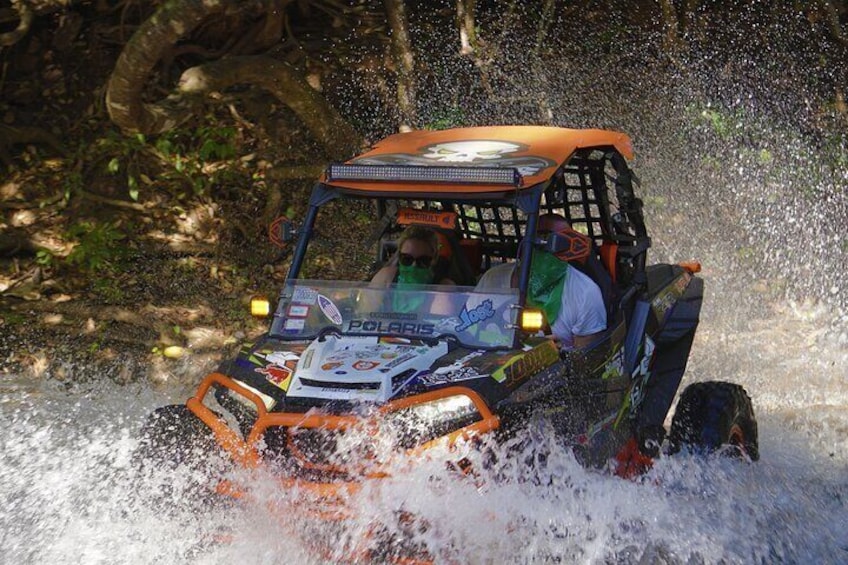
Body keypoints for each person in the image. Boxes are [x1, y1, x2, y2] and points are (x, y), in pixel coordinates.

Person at [476, 213, 606, 349]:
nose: (549, 249)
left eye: (559, 244)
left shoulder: (585, 293)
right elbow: (468, 328)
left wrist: (560, 352)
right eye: (542, 239)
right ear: (528, 243)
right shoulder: (492, 279)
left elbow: (586, 358)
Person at [370, 226, 456, 287]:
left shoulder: (443, 288)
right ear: (399, 257)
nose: (413, 265)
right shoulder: (387, 277)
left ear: (434, 259)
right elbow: (365, 310)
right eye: (407, 259)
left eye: (423, 261)